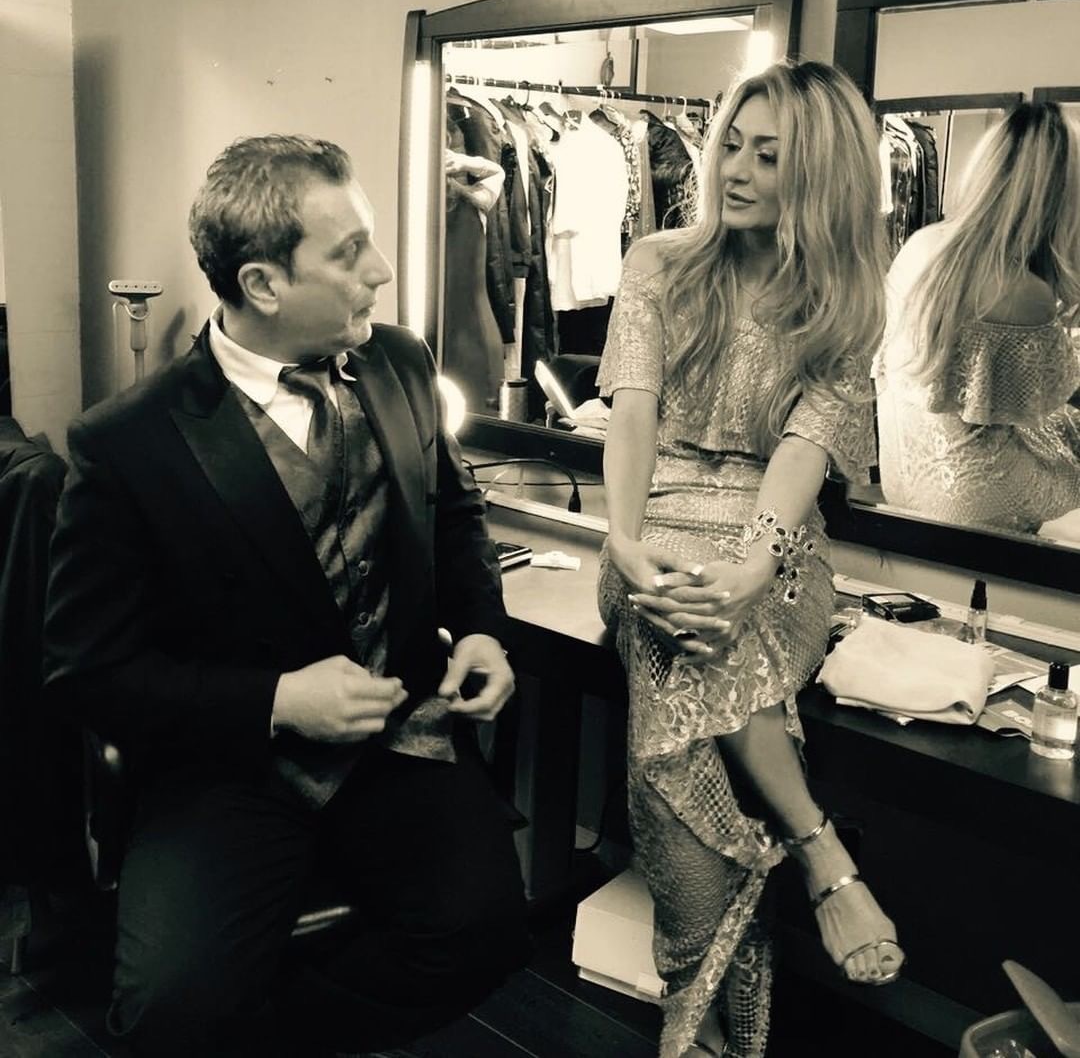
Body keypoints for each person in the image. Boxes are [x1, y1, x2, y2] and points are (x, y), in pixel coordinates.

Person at [43, 135, 529, 1058]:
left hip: (398, 740)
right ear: (262, 284)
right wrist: (274, 700)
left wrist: (481, 630)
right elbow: (86, 672)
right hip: (230, 769)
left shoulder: (400, 363)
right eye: (349, 253)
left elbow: (456, 510)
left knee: (487, 934)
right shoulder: (128, 442)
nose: (381, 271)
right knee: (171, 1012)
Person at [597, 61, 902, 1058]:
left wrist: (752, 570)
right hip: (653, 522)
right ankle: (821, 853)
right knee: (672, 629)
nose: (735, 169)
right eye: (731, 142)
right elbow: (633, 411)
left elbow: (803, 454)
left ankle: (695, 1029)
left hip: (775, 542)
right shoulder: (658, 263)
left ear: (818, 175)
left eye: (769, 157)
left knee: (687, 658)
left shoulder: (848, 301)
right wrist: (624, 542)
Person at [875, 100, 1080, 536]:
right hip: (977, 499)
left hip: (901, 478)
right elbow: (1040, 405)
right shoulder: (1026, 293)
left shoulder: (921, 244)